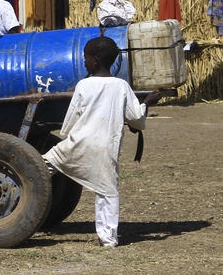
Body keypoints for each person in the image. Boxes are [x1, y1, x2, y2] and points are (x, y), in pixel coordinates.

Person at [42, 36, 161, 248]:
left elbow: (70, 121)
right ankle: (108, 239)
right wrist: (146, 103)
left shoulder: (83, 85)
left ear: (95, 60)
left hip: (77, 143)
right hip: (105, 146)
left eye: (86, 57)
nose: (84, 61)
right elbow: (136, 119)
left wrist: (68, 133)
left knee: (41, 168)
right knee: (107, 190)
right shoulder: (121, 86)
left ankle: (17, 203)